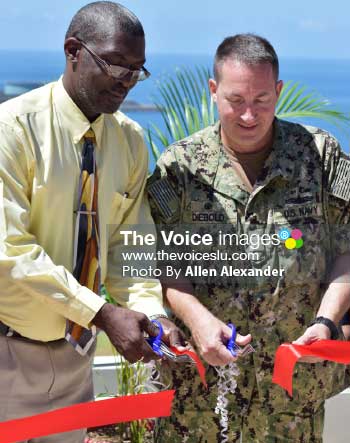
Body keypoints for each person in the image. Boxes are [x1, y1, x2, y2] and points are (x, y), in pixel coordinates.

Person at [148, 33, 350, 442]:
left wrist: (327, 320)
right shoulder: (180, 168)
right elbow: (162, 265)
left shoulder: (319, 155)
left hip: (290, 396)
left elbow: (347, 250)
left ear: (278, 90)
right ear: (213, 90)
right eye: (235, 100)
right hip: (200, 397)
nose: (248, 116)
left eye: (261, 100)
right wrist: (197, 320)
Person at [0, 2, 184, 442]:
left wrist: (151, 316)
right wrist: (100, 313)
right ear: (73, 51)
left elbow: (129, 245)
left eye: (137, 71)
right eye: (116, 64)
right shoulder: (12, 130)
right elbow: (11, 251)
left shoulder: (130, 141)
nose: (126, 82)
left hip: (74, 363)